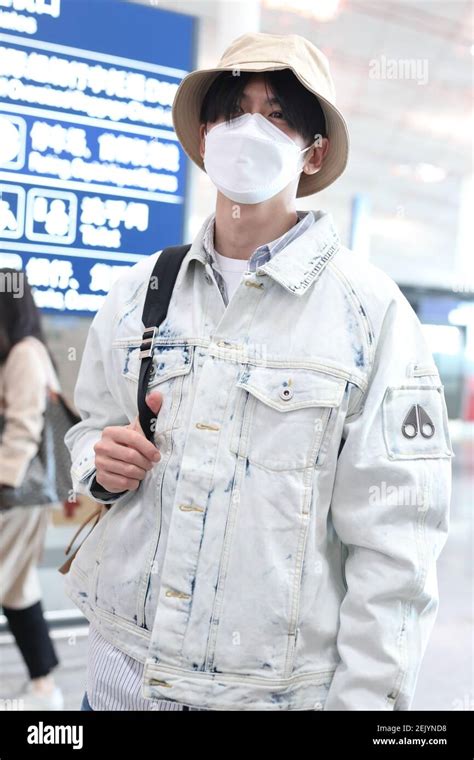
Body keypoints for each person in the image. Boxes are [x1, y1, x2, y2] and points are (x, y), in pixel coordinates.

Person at [64, 32, 452, 711]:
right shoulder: (138, 292)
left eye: (276, 113)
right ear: (204, 135)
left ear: (314, 151)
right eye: (232, 109)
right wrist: (98, 465)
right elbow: (86, 431)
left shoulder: (370, 315)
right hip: (120, 681)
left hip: (267, 696)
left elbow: (397, 550)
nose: (249, 128)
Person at [0, 268, 64, 710]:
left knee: (13, 584)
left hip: (14, 497)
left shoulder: (24, 353)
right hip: (21, 498)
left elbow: (23, 430)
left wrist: (2, 484)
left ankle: (45, 690)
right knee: (18, 589)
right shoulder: (25, 352)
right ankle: (44, 688)